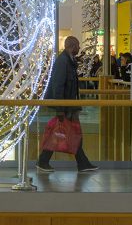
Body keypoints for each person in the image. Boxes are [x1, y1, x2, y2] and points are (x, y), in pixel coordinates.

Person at [37, 36, 98, 173]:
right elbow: (58, 86)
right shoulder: (63, 61)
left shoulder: (68, 61)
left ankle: (81, 163)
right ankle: (44, 161)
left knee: (70, 133)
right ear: (72, 45)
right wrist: (60, 108)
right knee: (66, 133)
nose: (79, 48)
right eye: (77, 45)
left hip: (69, 106)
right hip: (66, 107)